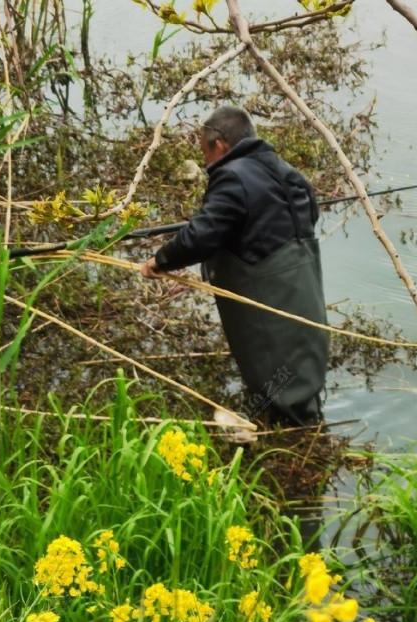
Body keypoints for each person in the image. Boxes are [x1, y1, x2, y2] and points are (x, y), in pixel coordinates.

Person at [141, 105, 329, 427]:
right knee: (298, 355)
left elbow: (203, 235)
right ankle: (301, 429)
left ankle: (283, 435)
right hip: (302, 283)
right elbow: (303, 213)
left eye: (204, 152)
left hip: (268, 291)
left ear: (220, 144)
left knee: (271, 357)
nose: (204, 162)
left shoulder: (231, 175)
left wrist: (161, 260)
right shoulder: (285, 170)